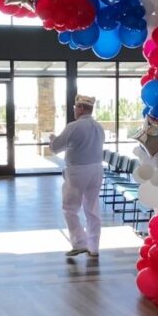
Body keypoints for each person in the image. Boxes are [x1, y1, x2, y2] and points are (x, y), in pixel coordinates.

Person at [49, 95, 106, 258]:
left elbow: (56, 147)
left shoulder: (74, 126)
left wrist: (52, 139)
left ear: (81, 108)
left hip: (78, 171)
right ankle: (93, 247)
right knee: (92, 208)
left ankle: (80, 242)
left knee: (70, 208)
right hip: (97, 169)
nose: (74, 110)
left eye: (75, 107)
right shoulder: (99, 127)